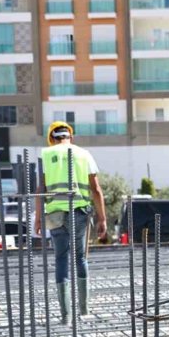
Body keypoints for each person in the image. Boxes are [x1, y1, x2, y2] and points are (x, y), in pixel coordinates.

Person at [34, 121, 107, 325]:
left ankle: (65, 316)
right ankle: (84, 311)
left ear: (52, 138)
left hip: (56, 215)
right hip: (79, 213)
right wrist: (103, 219)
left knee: (61, 260)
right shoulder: (84, 154)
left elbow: (41, 188)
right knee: (80, 259)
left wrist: (38, 218)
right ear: (70, 137)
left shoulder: (46, 155)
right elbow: (96, 189)